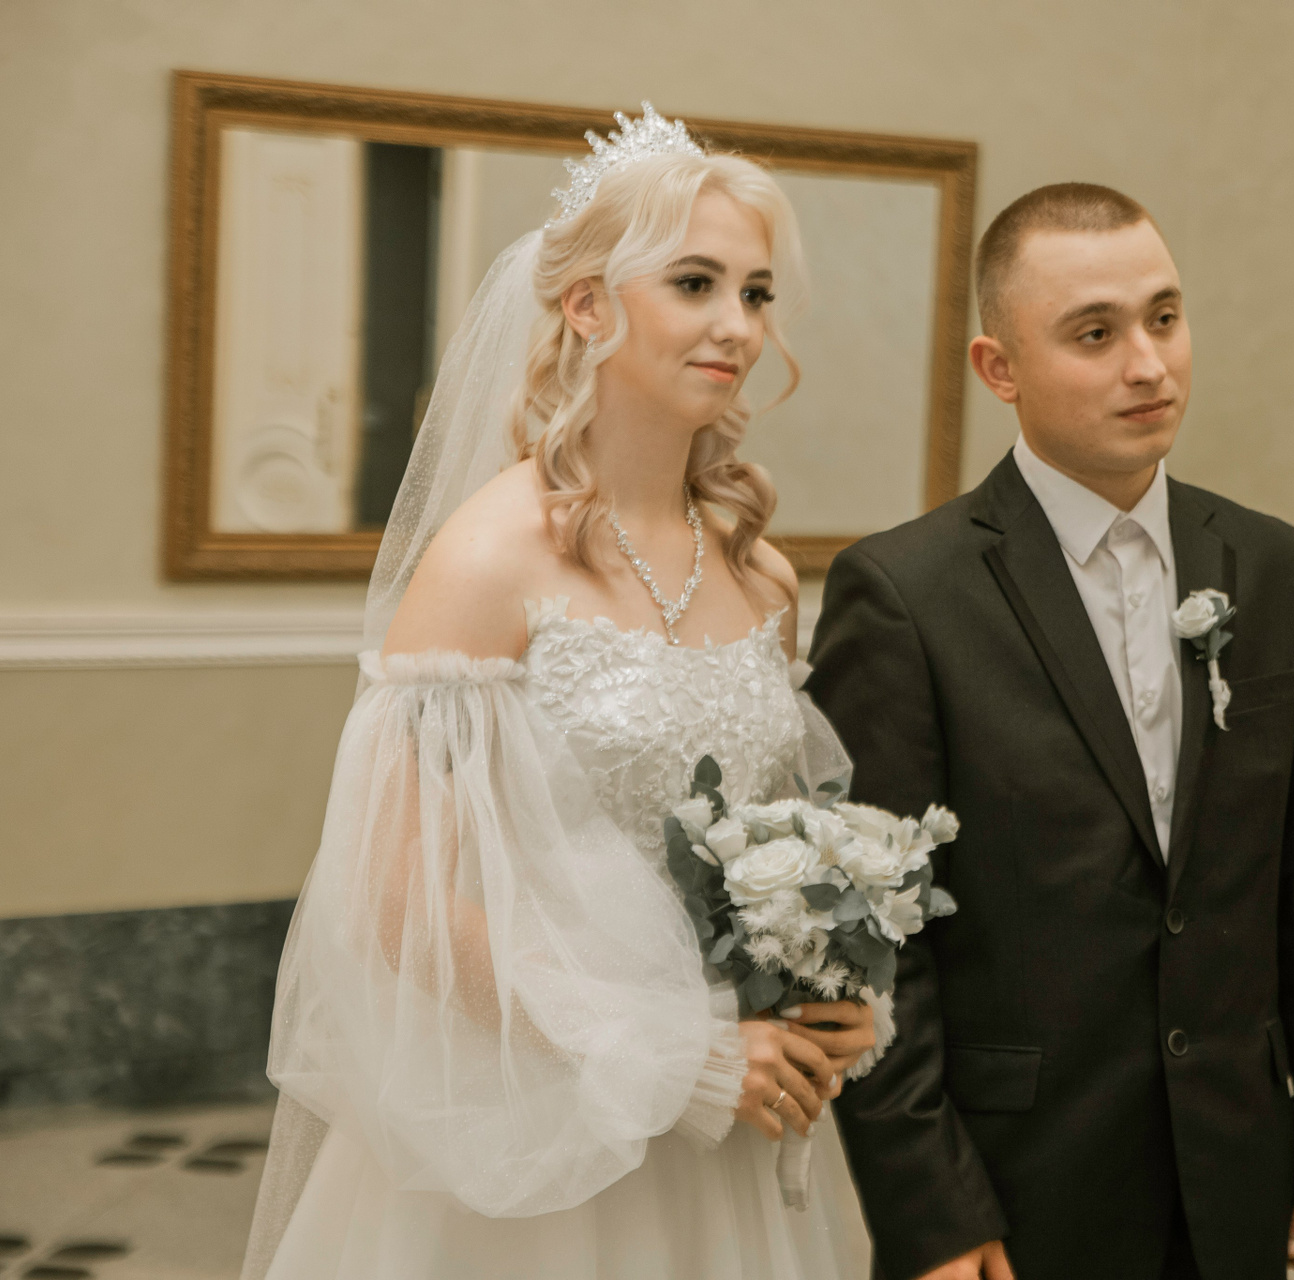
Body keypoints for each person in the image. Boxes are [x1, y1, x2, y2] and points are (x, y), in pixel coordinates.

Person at [240, 107, 874, 1280]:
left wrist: (827, 983)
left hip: (732, 1123)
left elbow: (768, 848)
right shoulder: (488, 560)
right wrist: (671, 1056)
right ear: (587, 305)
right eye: (694, 282)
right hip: (537, 1128)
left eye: (755, 293)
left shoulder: (762, 576)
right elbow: (395, 896)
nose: (737, 326)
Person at [808, 183, 1294, 1279]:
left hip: (1236, 1167)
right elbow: (877, 941)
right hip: (1018, 1183)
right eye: (1095, 333)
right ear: (1000, 368)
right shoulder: (904, 594)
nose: (1149, 364)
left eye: (1164, 317)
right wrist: (931, 1208)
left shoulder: (1275, 566)